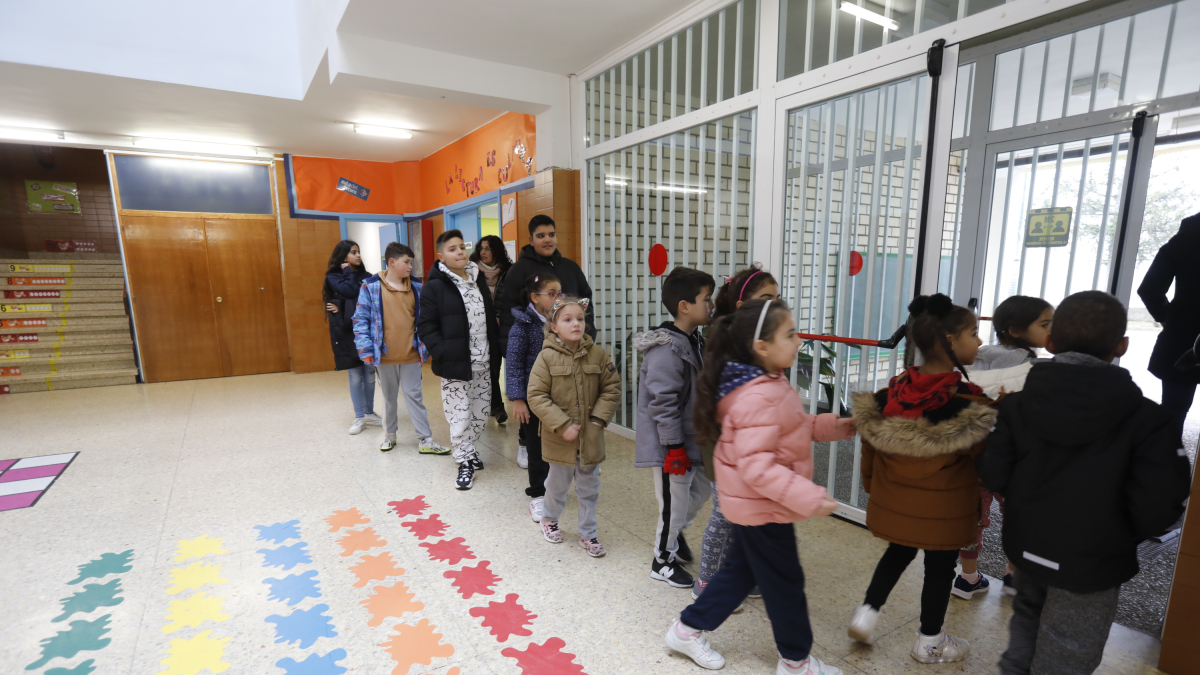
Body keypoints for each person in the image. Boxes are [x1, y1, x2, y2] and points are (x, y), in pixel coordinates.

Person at [978, 290, 1191, 675]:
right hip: (1094, 562)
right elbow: (1162, 504)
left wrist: (1027, 502)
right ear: (1122, 346)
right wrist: (1120, 533)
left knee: (1026, 619)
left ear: (1051, 342)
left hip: (1027, 544)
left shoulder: (1016, 404)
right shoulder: (1150, 420)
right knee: (1070, 647)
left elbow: (993, 472)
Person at [663, 299, 853, 675]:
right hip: (761, 506)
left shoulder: (768, 382)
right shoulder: (757, 395)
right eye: (790, 334)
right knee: (785, 585)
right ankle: (796, 662)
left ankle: (686, 630)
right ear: (761, 347)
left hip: (756, 506)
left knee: (741, 573)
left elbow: (791, 428)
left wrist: (835, 426)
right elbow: (757, 467)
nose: (798, 341)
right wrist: (809, 496)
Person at [848, 293, 992, 664]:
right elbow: (987, 463)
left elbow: (869, 450)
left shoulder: (891, 393)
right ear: (949, 341)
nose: (978, 341)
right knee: (941, 568)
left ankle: (866, 614)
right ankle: (929, 642)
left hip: (897, 501)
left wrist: (873, 488)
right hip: (945, 510)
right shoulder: (969, 403)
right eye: (972, 333)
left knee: (897, 551)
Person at [955, 295, 1053, 599]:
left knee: (973, 517)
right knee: (1018, 517)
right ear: (1015, 330)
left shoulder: (975, 357)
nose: (1052, 330)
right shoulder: (1032, 367)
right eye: (1045, 324)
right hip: (1016, 458)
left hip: (976, 452)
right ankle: (1013, 576)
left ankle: (967, 578)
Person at [693, 265, 779, 603]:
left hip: (750, 442)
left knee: (747, 515)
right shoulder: (728, 343)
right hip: (724, 444)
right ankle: (706, 583)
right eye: (766, 299)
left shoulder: (760, 342)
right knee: (725, 514)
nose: (774, 305)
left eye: (777, 298)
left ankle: (739, 576)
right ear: (743, 307)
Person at [634, 266, 716, 589]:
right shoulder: (667, 348)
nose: (710, 305)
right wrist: (674, 448)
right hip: (673, 447)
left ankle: (675, 529)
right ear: (685, 306)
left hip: (693, 440)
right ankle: (662, 561)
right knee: (673, 502)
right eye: (706, 299)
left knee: (701, 491)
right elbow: (663, 403)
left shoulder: (693, 339)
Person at [526, 296, 621, 557]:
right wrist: (563, 424)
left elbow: (612, 388)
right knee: (557, 485)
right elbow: (536, 395)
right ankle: (549, 519)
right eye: (568, 320)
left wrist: (598, 420)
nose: (576, 324)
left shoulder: (599, 355)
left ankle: (588, 533)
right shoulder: (546, 358)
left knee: (589, 488)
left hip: (590, 438)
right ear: (554, 327)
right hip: (559, 440)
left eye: (580, 319)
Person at [417, 229, 501, 490]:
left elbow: (488, 319)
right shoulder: (434, 287)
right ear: (441, 257)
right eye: (453, 249)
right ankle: (463, 459)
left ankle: (469, 447)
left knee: (480, 413)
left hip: (484, 362)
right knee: (460, 414)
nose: (460, 252)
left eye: (462, 247)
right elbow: (425, 326)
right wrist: (442, 352)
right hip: (456, 363)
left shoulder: (477, 280)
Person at [350, 242, 448, 455]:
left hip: (412, 354)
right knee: (389, 397)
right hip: (384, 356)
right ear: (392, 262)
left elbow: (428, 318)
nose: (410, 266)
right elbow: (360, 319)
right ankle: (390, 435)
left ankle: (425, 439)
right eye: (406, 262)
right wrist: (365, 350)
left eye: (411, 262)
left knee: (415, 396)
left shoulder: (418, 287)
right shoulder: (371, 286)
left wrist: (428, 345)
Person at [1138, 212, 1200, 440]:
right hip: (1183, 335)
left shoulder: (1183, 241)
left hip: (1184, 338)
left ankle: (1166, 467)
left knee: (1174, 409)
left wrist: (1170, 319)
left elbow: (1149, 289)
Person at [507, 273, 561, 522]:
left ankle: (555, 488)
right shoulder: (522, 327)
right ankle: (538, 494)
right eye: (552, 294)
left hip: (558, 397)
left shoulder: (561, 322)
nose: (557, 298)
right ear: (535, 298)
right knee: (537, 449)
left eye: (560, 293)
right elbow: (515, 365)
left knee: (557, 445)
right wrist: (518, 399)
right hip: (533, 399)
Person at [498, 215, 595, 354]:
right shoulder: (518, 270)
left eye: (551, 235)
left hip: (573, 346)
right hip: (534, 349)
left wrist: (588, 332)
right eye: (541, 236)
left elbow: (586, 301)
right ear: (531, 240)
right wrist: (510, 347)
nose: (547, 239)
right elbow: (509, 310)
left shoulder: (571, 268)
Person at [324, 240, 378, 434]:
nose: (358, 255)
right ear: (343, 256)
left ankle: (370, 412)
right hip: (346, 332)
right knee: (355, 377)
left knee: (370, 375)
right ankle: (359, 417)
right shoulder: (334, 276)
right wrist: (347, 274)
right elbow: (350, 291)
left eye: (359, 252)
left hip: (367, 330)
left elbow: (371, 299)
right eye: (353, 252)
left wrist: (342, 305)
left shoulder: (367, 276)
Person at [471, 234, 513, 425]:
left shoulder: (508, 271)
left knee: (494, 367)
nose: (483, 252)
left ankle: (492, 404)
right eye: (481, 248)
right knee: (483, 368)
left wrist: (501, 316)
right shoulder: (471, 271)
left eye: (488, 248)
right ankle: (496, 406)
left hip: (500, 328)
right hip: (478, 328)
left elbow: (510, 298)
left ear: (496, 250)